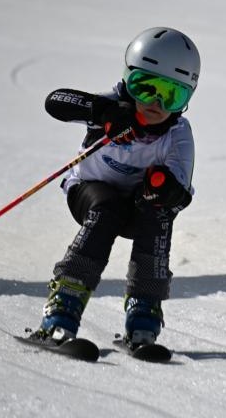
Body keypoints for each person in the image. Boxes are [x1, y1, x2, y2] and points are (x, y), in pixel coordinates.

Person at [29, 27, 200, 348]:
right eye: (145, 87)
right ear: (127, 79)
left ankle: (144, 312)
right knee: (106, 209)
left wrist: (161, 190)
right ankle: (62, 307)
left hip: (138, 207)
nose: (156, 102)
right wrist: (102, 112)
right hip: (89, 192)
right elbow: (56, 101)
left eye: (173, 94)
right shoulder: (111, 107)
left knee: (157, 213)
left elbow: (180, 190)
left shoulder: (177, 133)